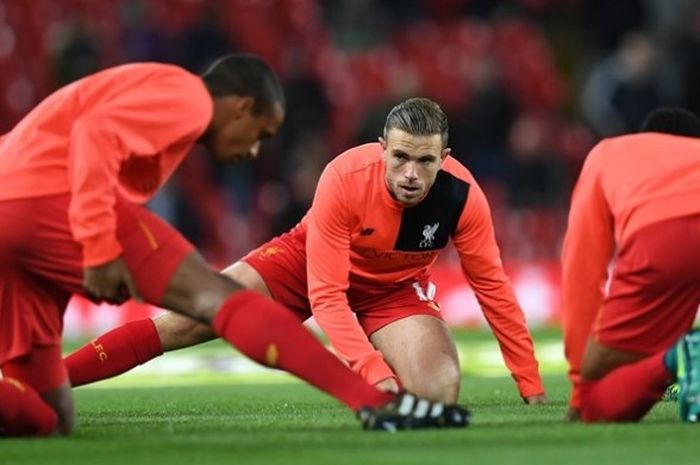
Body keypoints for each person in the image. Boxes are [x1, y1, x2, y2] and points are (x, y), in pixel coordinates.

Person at [0, 55, 469, 436]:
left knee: (49, 417)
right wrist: (99, 247)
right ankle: (371, 402)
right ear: (242, 107)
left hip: (15, 208)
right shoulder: (185, 94)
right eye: (261, 134)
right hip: (42, 199)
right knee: (219, 299)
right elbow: (93, 135)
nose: (253, 151)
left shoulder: (152, 103)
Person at [66, 97, 547, 405]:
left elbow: (492, 287)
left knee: (438, 393)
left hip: (394, 290)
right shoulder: (342, 178)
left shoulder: (463, 196)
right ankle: (50, 379)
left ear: (444, 159)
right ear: (382, 149)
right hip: (304, 264)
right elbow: (328, 298)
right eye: (400, 157)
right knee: (185, 320)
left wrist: (530, 381)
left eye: (425, 162)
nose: (410, 174)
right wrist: (372, 372)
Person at [562, 107, 700, 423]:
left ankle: (676, 358)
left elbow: (582, 271)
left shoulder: (610, 154)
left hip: (663, 238)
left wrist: (581, 389)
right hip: (669, 242)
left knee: (597, 403)